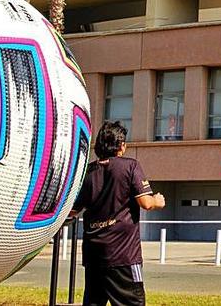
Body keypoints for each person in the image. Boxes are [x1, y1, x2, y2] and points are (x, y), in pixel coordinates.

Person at [71, 121, 166, 306]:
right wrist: (158, 201)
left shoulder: (88, 171)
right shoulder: (130, 166)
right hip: (123, 255)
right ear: (121, 145)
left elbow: (74, 209)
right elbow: (146, 202)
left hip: (93, 255)